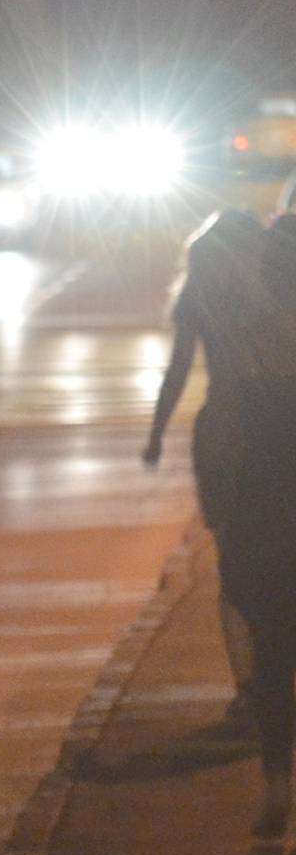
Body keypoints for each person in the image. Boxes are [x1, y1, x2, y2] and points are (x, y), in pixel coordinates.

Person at [144, 208, 269, 725]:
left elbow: (177, 370)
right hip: (276, 426)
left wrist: (155, 434)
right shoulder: (276, 291)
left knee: (235, 565)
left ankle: (248, 688)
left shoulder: (199, 296)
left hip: (221, 432)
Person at [209, 210, 296, 842]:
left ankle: (277, 787)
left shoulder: (251, 329)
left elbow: (236, 431)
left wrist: (230, 514)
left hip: (269, 506)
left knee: (273, 652)